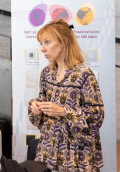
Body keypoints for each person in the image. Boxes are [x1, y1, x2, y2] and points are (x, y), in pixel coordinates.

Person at [28, 19, 104, 172]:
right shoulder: (47, 73)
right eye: (41, 43)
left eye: (47, 42)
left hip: (77, 157)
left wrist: (63, 112)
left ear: (64, 42)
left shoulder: (84, 75)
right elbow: (41, 106)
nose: (42, 49)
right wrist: (35, 107)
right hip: (48, 152)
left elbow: (96, 117)